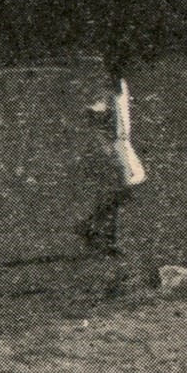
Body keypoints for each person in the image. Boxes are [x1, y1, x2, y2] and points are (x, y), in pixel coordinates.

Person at [76, 60, 147, 256]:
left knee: (125, 188)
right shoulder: (107, 87)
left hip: (122, 143)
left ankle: (91, 227)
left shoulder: (120, 85)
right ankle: (105, 236)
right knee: (123, 188)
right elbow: (92, 112)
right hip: (113, 146)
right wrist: (103, 139)